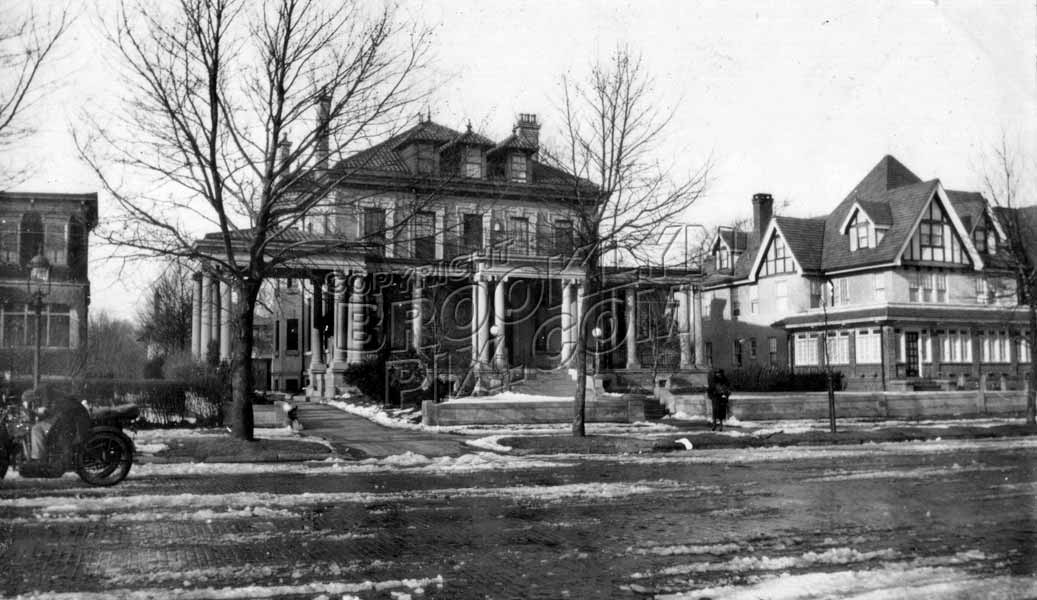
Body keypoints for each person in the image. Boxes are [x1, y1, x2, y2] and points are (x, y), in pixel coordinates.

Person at [25, 385, 91, 465]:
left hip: (70, 418)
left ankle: (38, 460)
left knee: (37, 429)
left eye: (30, 403)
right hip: (69, 417)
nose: (33, 405)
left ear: (34, 397)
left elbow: (46, 410)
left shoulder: (44, 391)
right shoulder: (50, 394)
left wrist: (39, 410)